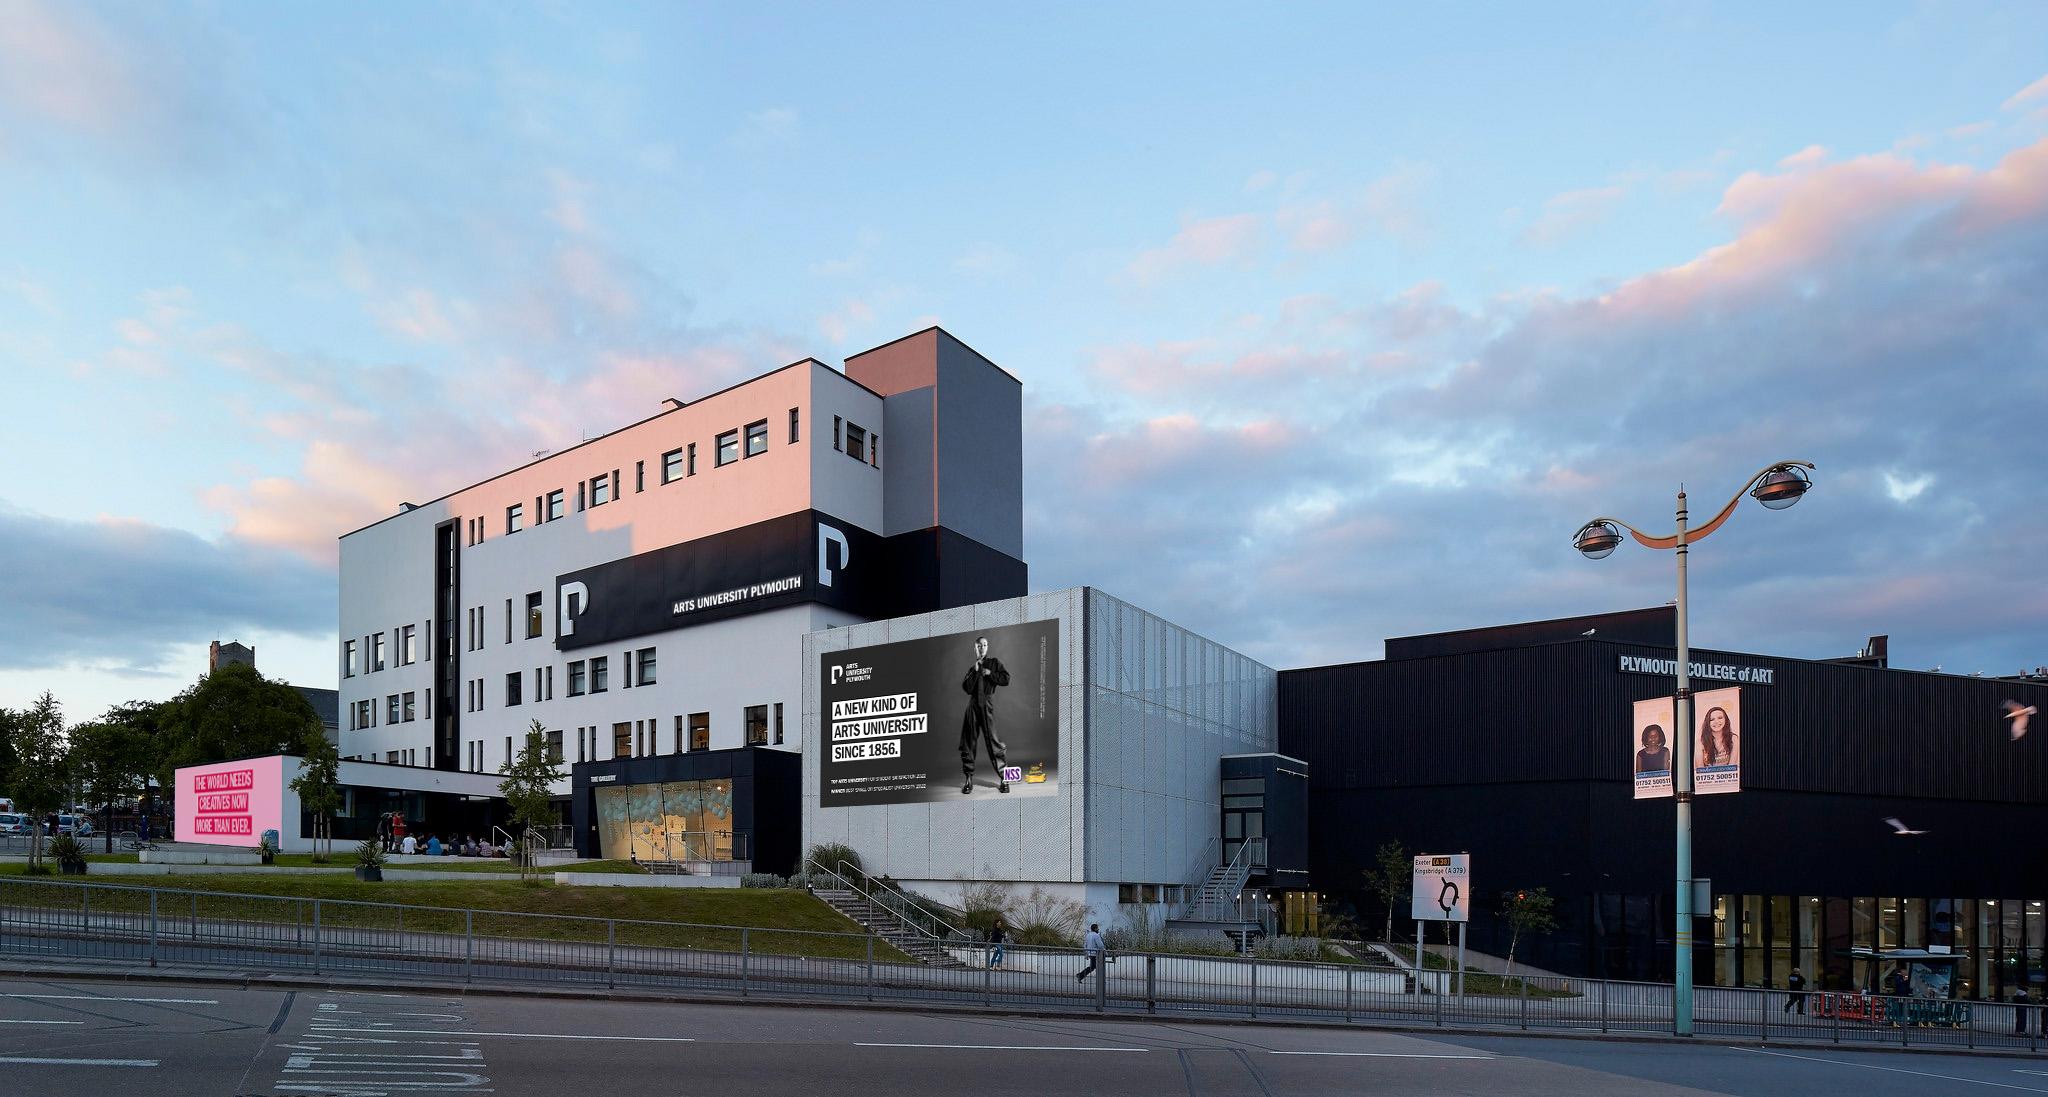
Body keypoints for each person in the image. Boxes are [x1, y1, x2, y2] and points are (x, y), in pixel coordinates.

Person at [960, 635, 1013, 795]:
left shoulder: (994, 663)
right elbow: (967, 689)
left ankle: (1005, 779)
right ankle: (968, 779)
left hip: (987, 705)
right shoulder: (972, 669)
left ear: (987, 647)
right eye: (979, 646)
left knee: (994, 743)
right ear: (974, 648)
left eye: (984, 645)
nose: (982, 648)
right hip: (973, 706)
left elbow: (1006, 679)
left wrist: (990, 673)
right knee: (968, 743)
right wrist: (976, 672)